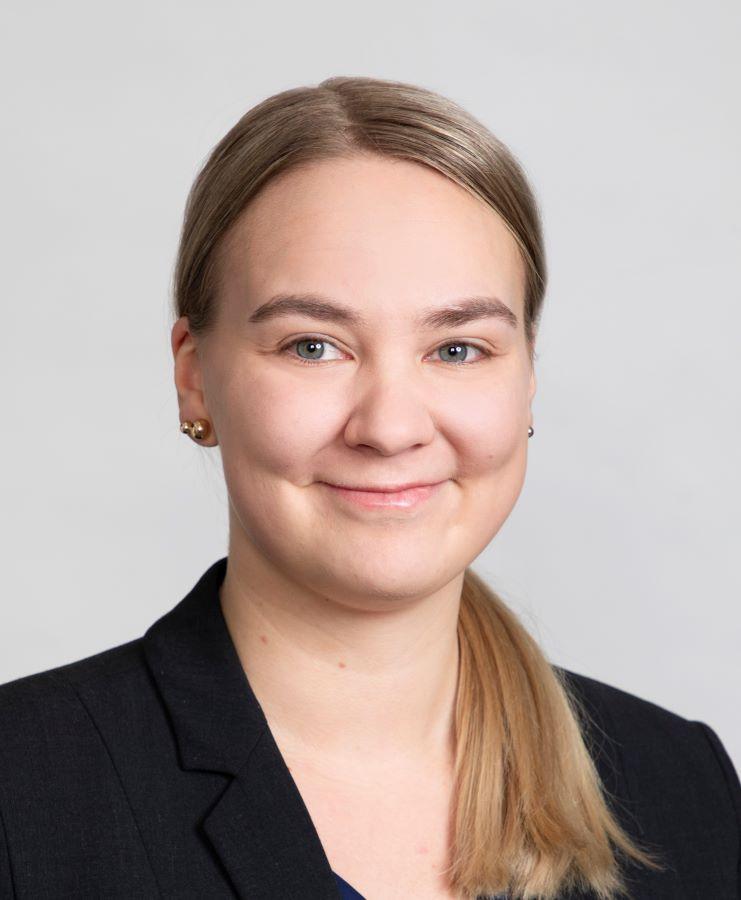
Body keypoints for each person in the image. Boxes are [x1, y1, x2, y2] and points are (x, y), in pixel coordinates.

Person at [0, 75, 738, 900]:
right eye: (312, 346)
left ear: (527, 378)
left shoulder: (686, 788)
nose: (389, 428)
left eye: (456, 349)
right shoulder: (22, 792)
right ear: (194, 377)